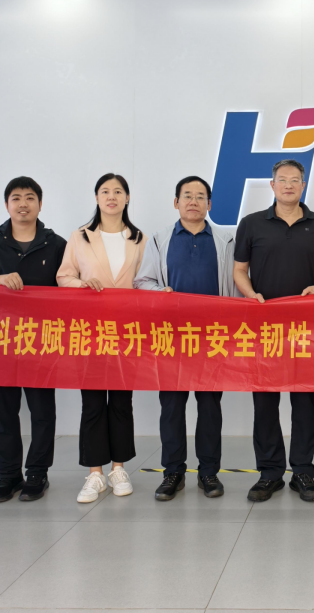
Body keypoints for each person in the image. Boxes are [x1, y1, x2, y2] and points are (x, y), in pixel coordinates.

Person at [233, 159, 314, 503]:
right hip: (263, 328)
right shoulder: (251, 223)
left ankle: (303, 471)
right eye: (282, 180)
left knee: (304, 400)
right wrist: (251, 295)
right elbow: (239, 270)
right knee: (265, 401)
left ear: (303, 186)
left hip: (307, 328)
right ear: (272, 185)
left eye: (295, 180)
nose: (288, 185)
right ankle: (269, 473)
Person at [134, 175, 238, 501]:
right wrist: (160, 293)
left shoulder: (225, 240)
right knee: (171, 407)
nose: (193, 201)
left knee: (210, 408)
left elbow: (235, 287)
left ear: (209, 204)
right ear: (176, 202)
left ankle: (209, 473)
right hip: (172, 338)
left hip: (211, 338)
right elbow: (143, 281)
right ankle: (173, 473)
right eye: (187, 195)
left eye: (200, 196)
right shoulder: (160, 239)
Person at [0, 176, 68, 503]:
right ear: (7, 204)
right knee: (4, 411)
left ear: (40, 203)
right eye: (16, 198)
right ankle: (8, 476)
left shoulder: (56, 244)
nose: (23, 204)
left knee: (42, 411)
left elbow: (68, 286)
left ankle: (37, 473)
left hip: (42, 340)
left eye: (30, 198)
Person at [57, 173, 147, 503]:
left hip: (126, 332)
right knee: (93, 402)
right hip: (90, 331)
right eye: (105, 191)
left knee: (121, 402)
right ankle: (95, 473)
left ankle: (118, 469)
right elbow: (63, 276)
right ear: (96, 198)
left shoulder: (139, 238)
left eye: (118, 191)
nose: (112, 196)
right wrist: (83, 284)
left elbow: (145, 280)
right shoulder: (80, 236)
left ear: (127, 198)